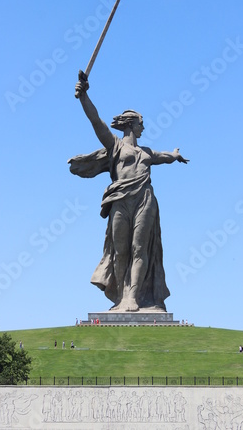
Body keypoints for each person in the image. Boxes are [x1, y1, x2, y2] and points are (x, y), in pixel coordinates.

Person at [69, 71, 189, 312]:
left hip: (145, 200)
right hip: (120, 201)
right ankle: (121, 297)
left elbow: (164, 157)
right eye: (141, 122)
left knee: (139, 248)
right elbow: (96, 122)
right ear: (131, 123)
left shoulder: (147, 153)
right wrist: (84, 96)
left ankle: (133, 297)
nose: (143, 126)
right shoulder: (114, 145)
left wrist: (174, 155)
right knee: (120, 250)